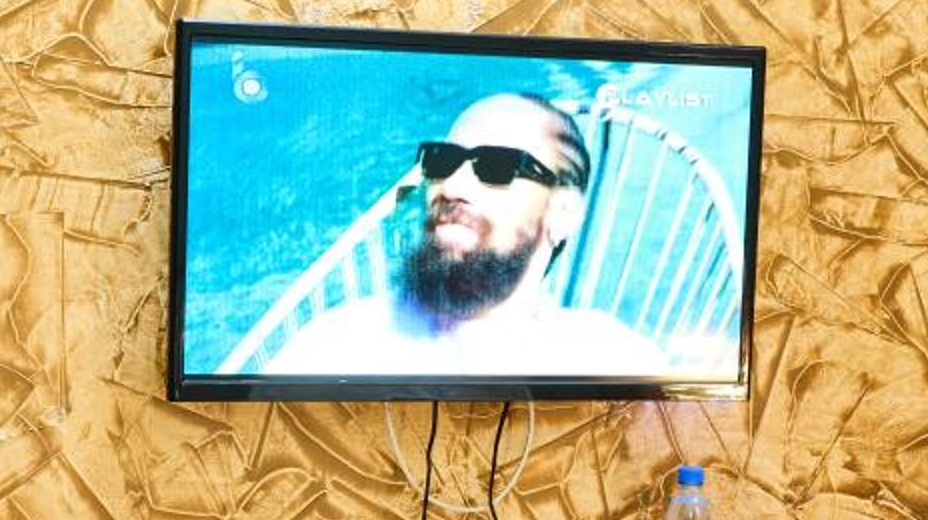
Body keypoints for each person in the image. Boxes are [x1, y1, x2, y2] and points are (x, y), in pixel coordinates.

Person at [258, 92, 668, 377]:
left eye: (497, 166)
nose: (451, 186)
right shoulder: (336, 349)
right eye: (443, 160)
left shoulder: (616, 363)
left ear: (562, 213)